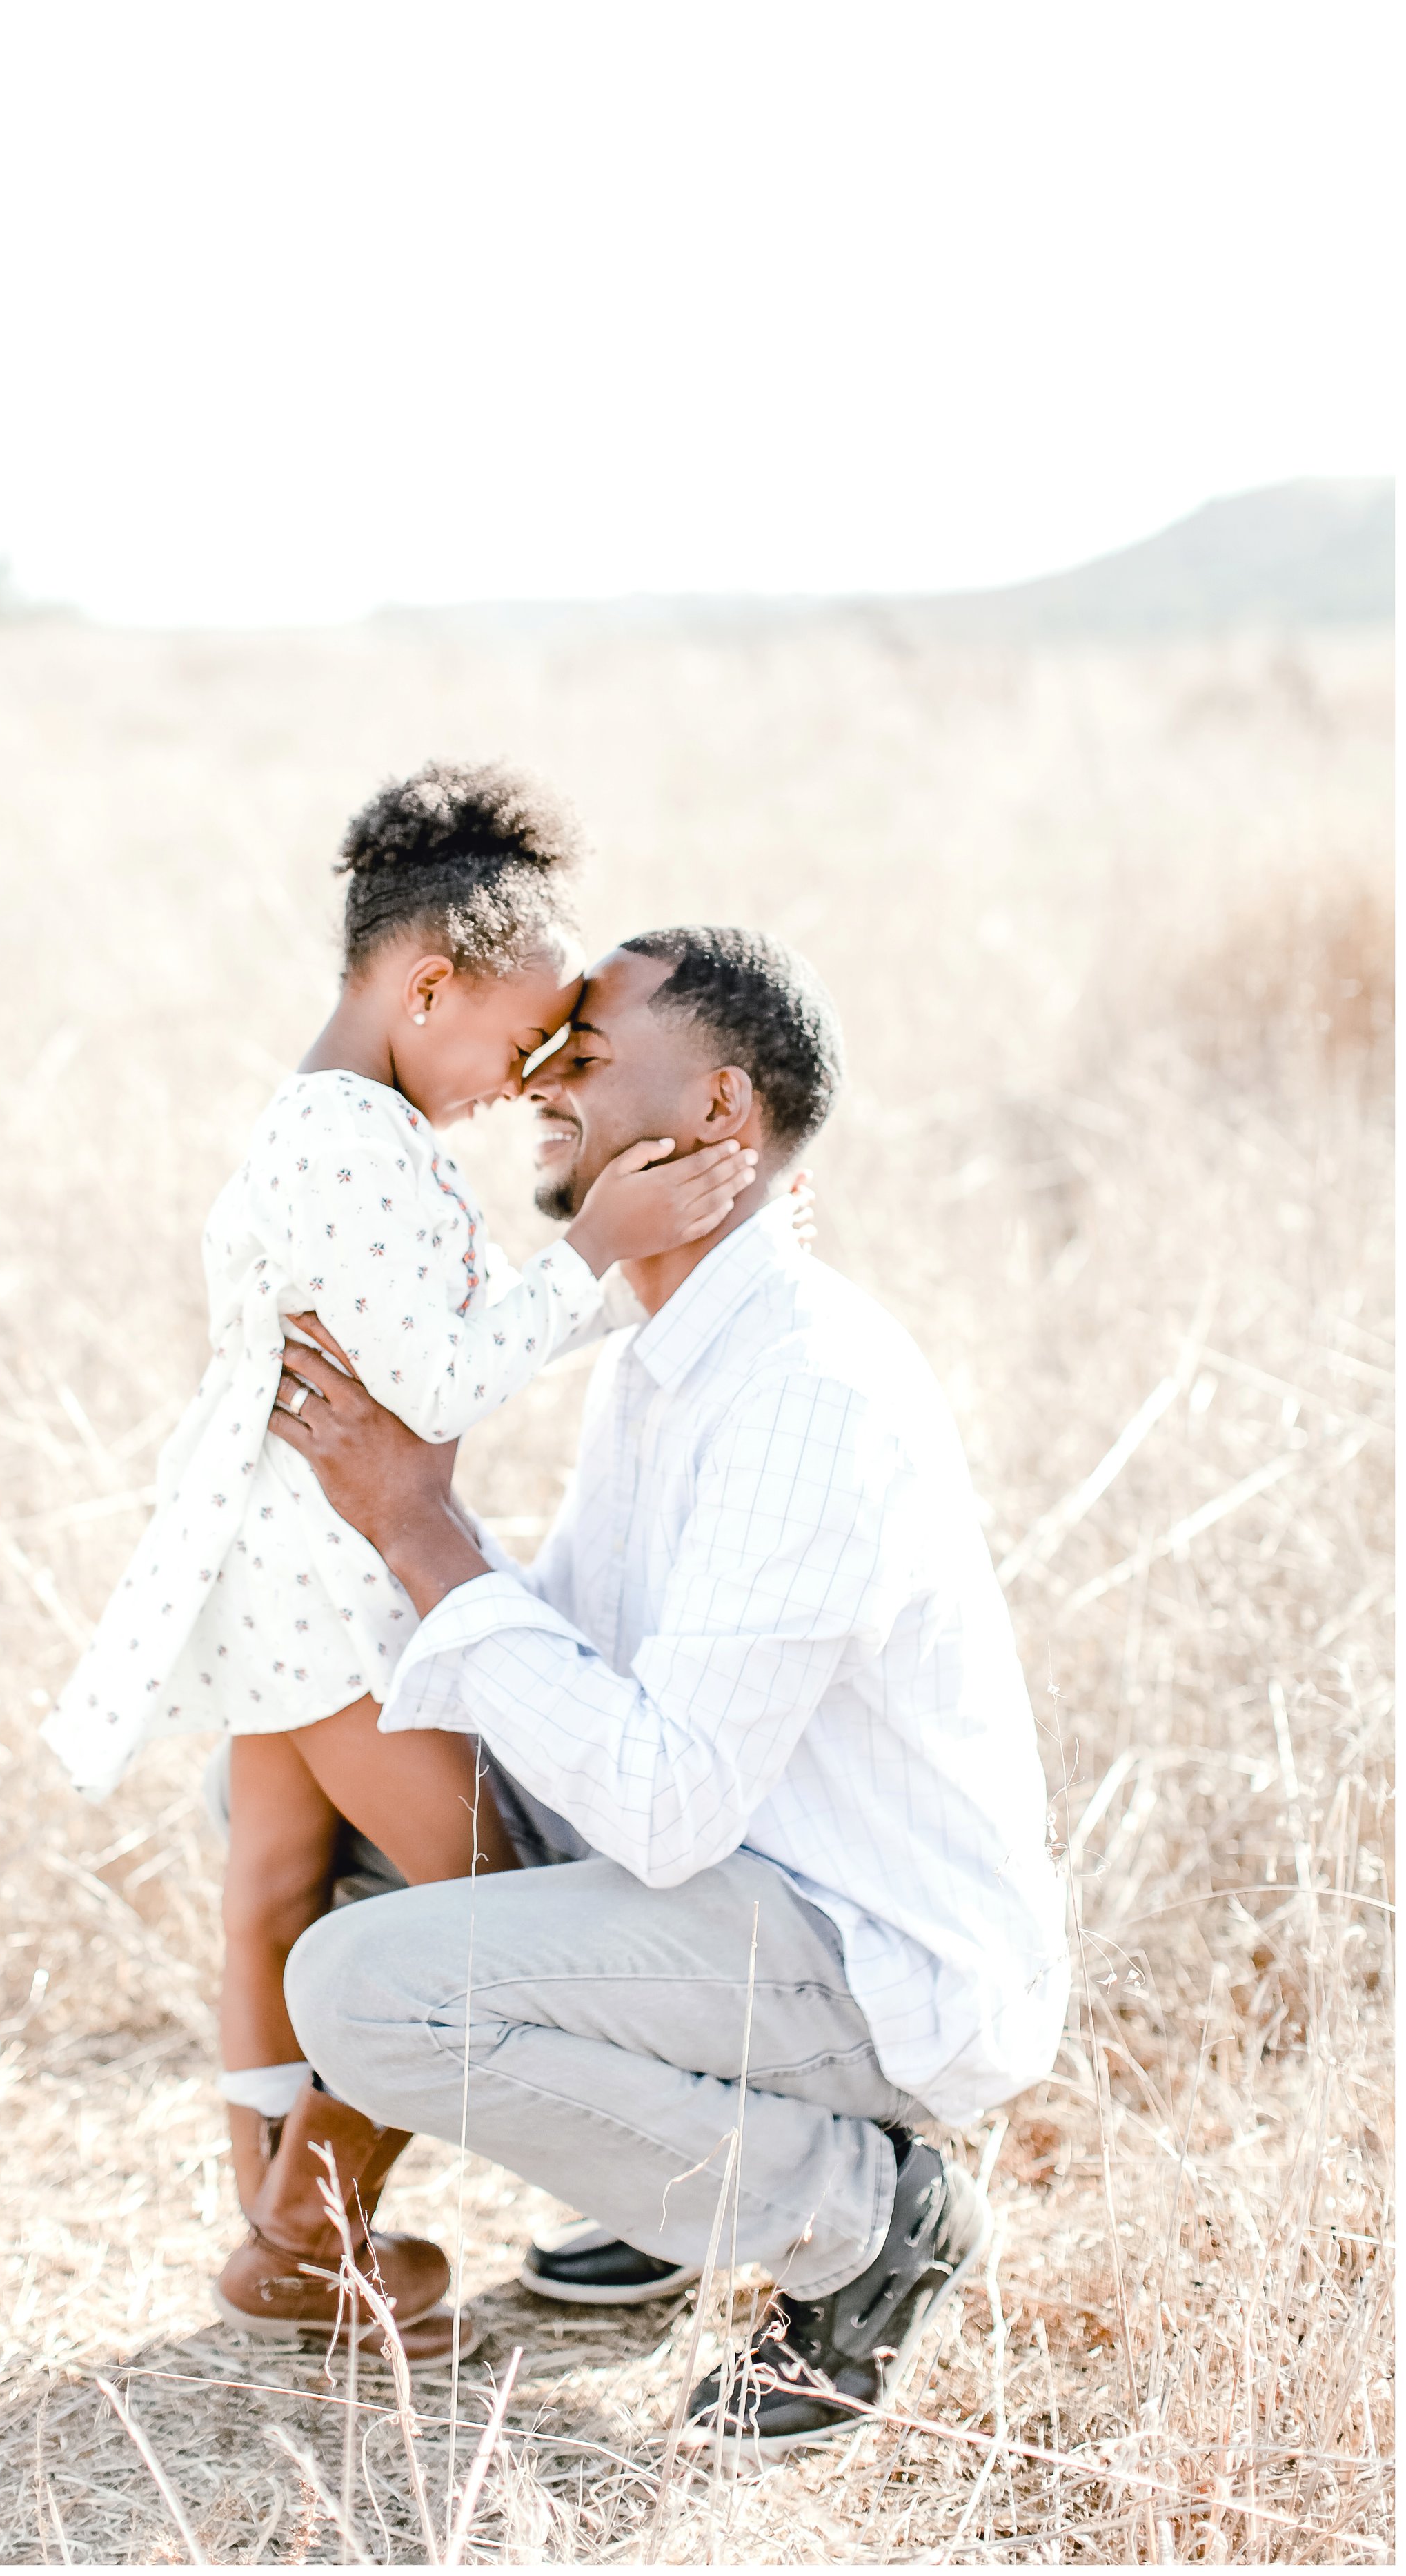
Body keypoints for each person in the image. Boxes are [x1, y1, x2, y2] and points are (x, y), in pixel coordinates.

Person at [268, 926, 1071, 2453]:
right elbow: (572, 1659)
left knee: (363, 1989)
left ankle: (861, 2216)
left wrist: (423, 1532)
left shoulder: (801, 1387)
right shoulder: (663, 1352)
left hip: (866, 1954)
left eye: (581, 1052)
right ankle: (664, 2188)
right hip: (733, 1883)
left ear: (714, 1114)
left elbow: (657, 1792)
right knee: (341, 1757)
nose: (534, 1080)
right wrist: (379, 1520)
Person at [40, 767, 753, 2360]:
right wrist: (589, 1245)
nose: (522, 1085)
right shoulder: (357, 1141)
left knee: (275, 1891)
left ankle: (286, 2235)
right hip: (337, 1599)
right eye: (517, 1044)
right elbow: (428, 1387)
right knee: (484, 1899)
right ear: (425, 983)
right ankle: (306, 2236)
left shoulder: (311, 1120)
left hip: (263, 1579)